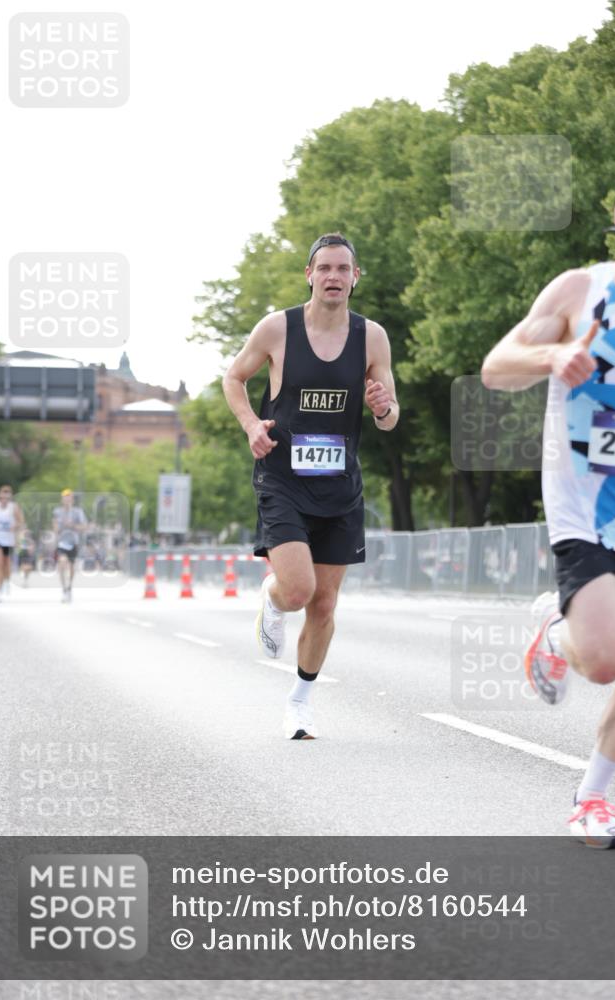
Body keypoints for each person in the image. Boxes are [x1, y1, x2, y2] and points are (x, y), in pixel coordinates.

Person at [481, 154, 615, 848]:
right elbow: (496, 368)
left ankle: (590, 799)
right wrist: (550, 357)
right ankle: (556, 629)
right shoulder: (581, 290)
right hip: (584, 507)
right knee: (606, 661)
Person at [223, 233, 399, 739]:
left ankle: (299, 702)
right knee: (299, 591)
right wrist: (252, 425)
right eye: (324, 268)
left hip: (339, 486)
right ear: (309, 275)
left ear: (355, 277)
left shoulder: (372, 338)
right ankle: (274, 597)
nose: (333, 277)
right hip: (282, 479)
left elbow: (390, 417)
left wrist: (383, 407)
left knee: (324, 604)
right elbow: (233, 378)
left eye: (343, 269)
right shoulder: (278, 328)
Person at [0, 485, 25, 602]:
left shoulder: (14, 507)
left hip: (8, 541)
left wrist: (15, 526)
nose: (4, 500)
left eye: (6, 498)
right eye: (2, 497)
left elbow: (21, 522)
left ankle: (5, 581)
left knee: (6, 565)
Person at [52, 489, 88, 602]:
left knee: (72, 567)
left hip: (73, 542)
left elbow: (84, 526)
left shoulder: (78, 512)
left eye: (69, 497)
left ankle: (69, 587)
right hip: (62, 542)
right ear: (62, 499)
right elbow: (55, 527)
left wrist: (72, 525)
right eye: (65, 497)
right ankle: (64, 589)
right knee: (62, 563)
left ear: (72, 499)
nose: (67, 499)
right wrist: (59, 526)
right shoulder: (57, 512)